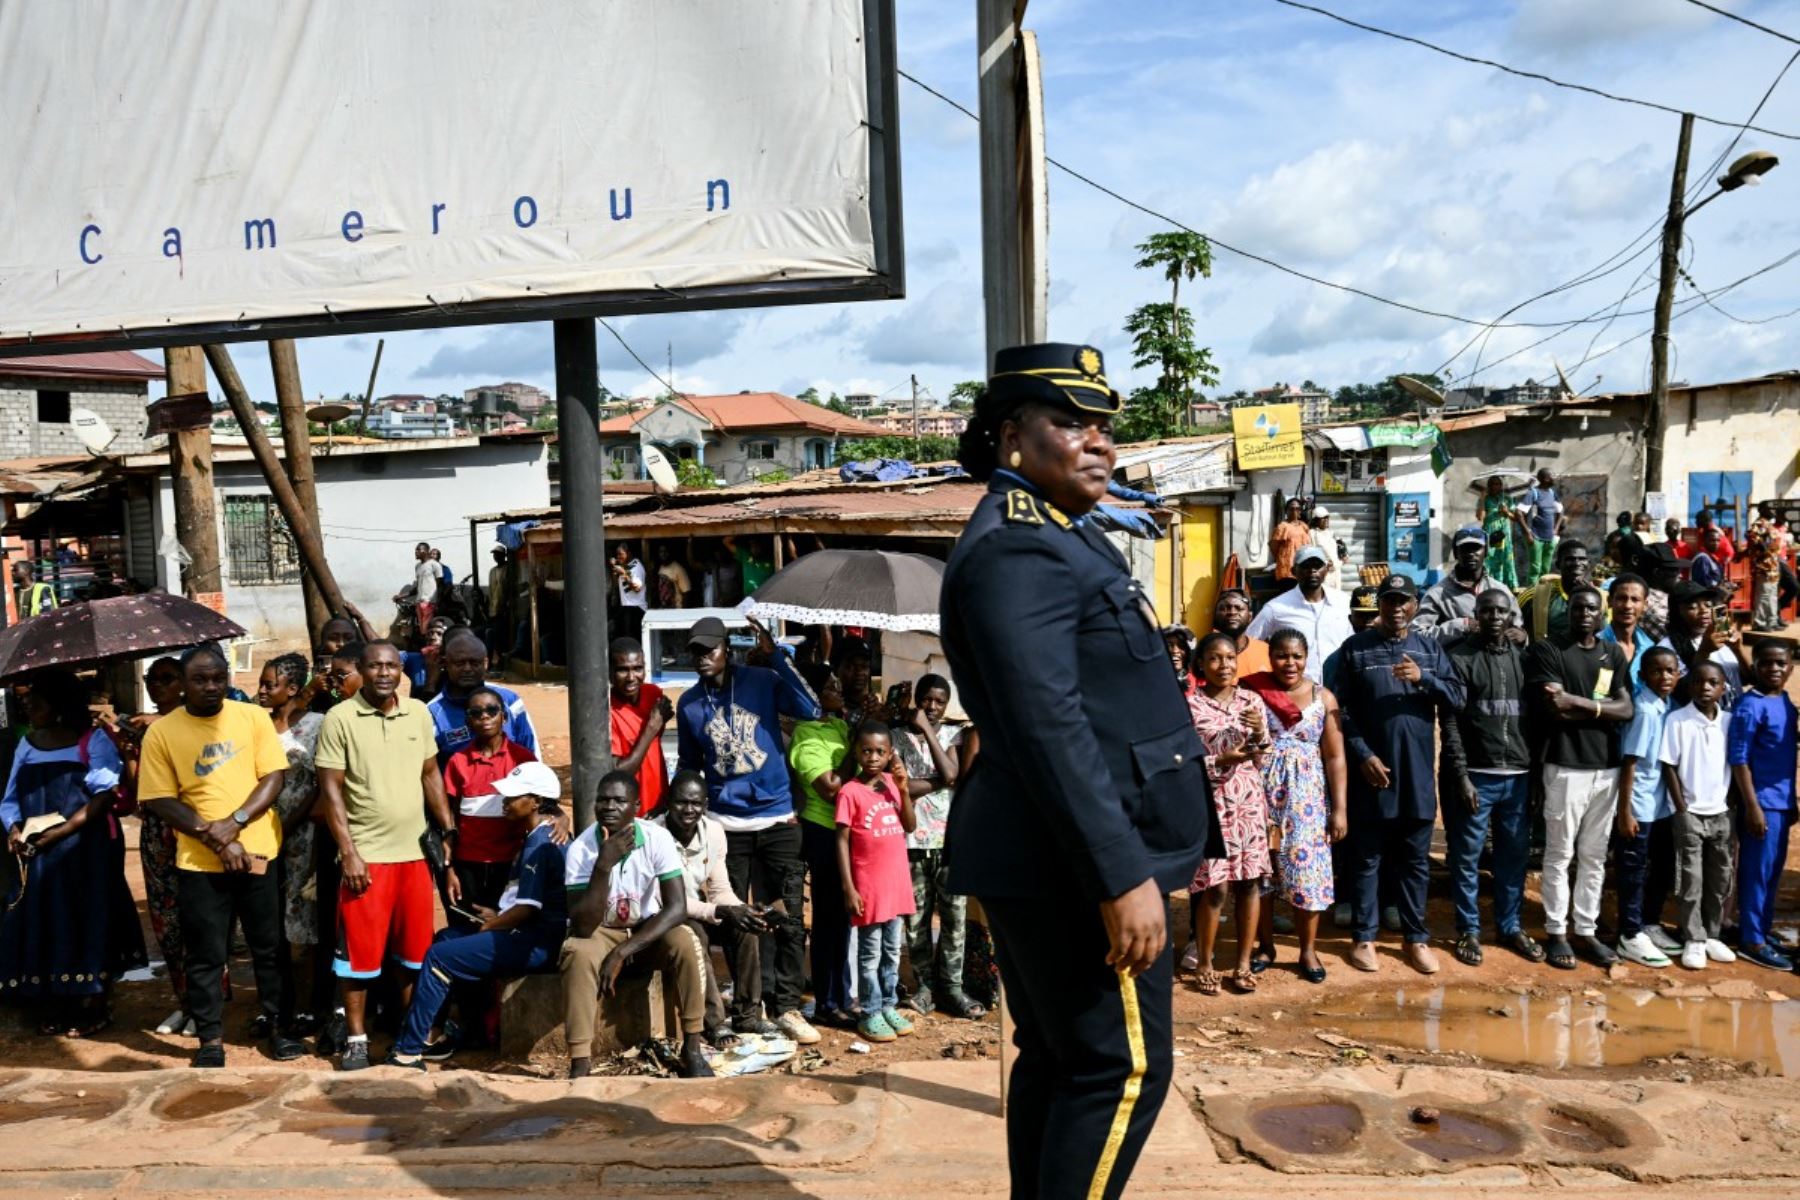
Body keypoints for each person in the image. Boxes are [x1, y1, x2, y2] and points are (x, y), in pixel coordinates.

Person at [940, 341, 1218, 1200]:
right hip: (1073, 864)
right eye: (1071, 423)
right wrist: (1120, 873)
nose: (1098, 442)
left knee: (1065, 1062)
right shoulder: (1021, 548)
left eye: (1102, 426)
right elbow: (1046, 726)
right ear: (1011, 438)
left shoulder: (1060, 535)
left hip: (1053, 853)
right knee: (1118, 1072)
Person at [137, 645, 301, 1065]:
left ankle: (280, 1028)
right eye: (199, 679)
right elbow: (159, 799)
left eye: (217, 678)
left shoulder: (252, 719)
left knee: (269, 948)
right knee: (207, 953)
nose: (210, 687)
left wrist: (237, 822)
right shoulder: (162, 732)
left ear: (227, 678)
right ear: (184, 683)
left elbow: (274, 776)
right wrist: (218, 838)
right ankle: (210, 1040)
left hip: (259, 853)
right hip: (199, 863)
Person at [676, 614, 822, 1045]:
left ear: (727, 648)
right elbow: (689, 766)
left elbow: (810, 707)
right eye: (696, 651)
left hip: (777, 819)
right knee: (738, 919)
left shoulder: (761, 679)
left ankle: (788, 1006)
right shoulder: (689, 704)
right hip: (725, 824)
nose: (704, 658)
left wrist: (776, 655)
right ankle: (747, 1009)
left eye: (711, 649)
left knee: (787, 916)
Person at [315, 640, 458, 1071]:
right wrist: (349, 853)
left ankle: (407, 1039)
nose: (383, 673)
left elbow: (430, 774)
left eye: (391, 666)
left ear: (401, 670)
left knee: (413, 958)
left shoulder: (417, 713)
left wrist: (447, 829)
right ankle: (357, 1040)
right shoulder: (339, 718)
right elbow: (330, 790)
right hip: (367, 860)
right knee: (357, 960)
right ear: (360, 669)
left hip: (414, 857)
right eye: (374, 665)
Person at [389, 761, 569, 1069]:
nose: (506, 802)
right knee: (447, 937)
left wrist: (492, 924)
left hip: (533, 943)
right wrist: (497, 915)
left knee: (439, 956)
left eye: (514, 797)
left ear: (536, 802)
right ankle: (436, 1038)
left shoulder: (542, 843)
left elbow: (528, 909)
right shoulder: (538, 835)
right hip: (522, 932)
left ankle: (408, 1050)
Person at [0, 669, 143, 1037]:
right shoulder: (28, 744)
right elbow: (10, 797)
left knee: (89, 916)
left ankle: (95, 1004)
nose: (29, 706)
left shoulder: (92, 740)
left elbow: (102, 798)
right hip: (38, 851)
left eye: (37, 700)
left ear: (60, 703)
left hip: (85, 849)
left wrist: (62, 832)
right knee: (47, 919)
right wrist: (14, 828)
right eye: (26, 701)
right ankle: (56, 1002)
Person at [1334, 575, 1464, 974]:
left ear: (1413, 605)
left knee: (1414, 861)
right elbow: (1340, 711)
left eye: (1402, 601)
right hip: (1371, 775)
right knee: (1367, 857)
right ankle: (1364, 938)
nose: (1395, 608)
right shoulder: (1356, 650)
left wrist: (1423, 678)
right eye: (1388, 601)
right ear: (1380, 606)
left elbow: (1458, 697)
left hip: (1417, 775)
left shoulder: (1429, 650)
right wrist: (1363, 755)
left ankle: (1416, 939)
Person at [561, 770, 712, 1078]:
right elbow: (582, 926)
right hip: (601, 930)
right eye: (603, 800)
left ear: (637, 807)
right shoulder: (582, 849)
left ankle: (692, 1047)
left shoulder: (657, 838)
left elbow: (676, 907)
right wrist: (603, 866)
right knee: (576, 951)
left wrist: (624, 951)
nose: (609, 807)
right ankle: (580, 1060)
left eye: (619, 800)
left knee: (686, 941)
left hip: (645, 928)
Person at [1527, 586, 1634, 971]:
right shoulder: (1548, 651)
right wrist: (1601, 709)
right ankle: (1557, 932)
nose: (1585, 613)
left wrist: (1580, 703)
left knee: (1594, 855)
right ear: (1568, 611)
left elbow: (1627, 710)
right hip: (1564, 765)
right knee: (1559, 855)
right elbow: (1554, 709)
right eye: (1578, 607)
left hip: (1606, 768)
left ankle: (1585, 931)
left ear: (1601, 613)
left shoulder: (1612, 654)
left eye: (1592, 607)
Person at [1439, 589, 1543, 966]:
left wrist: (1536, 778)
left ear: (1512, 617)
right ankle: (1468, 929)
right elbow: (1450, 724)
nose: (1495, 617)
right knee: (1466, 858)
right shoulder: (1460, 658)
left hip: (1518, 776)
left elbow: (1537, 723)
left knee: (1512, 858)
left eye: (1502, 610)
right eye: (1487, 611)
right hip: (1478, 777)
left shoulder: (1525, 659)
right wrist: (1461, 777)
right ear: (1476, 616)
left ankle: (1510, 925)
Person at [1243, 629, 1346, 983]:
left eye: (1297, 656)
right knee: (1262, 875)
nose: (1290, 663)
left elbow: (1334, 757)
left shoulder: (1323, 697)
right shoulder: (1253, 692)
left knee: (1308, 875)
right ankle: (1265, 946)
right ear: (1270, 658)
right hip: (1260, 795)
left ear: (1306, 657)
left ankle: (1308, 950)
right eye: (1282, 656)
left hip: (1307, 802)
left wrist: (1340, 809)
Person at [652, 769, 769, 1045]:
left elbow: (719, 890)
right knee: (696, 934)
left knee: (746, 929)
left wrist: (743, 909)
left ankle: (748, 1015)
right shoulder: (654, 835)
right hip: (663, 915)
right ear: (668, 802)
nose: (688, 810)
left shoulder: (713, 832)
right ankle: (713, 1021)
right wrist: (719, 911)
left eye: (696, 803)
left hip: (696, 907)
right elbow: (669, 901)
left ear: (705, 806)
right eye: (682, 802)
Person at [1184, 633, 1271, 996]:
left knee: (1249, 882)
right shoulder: (1189, 706)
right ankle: (1204, 962)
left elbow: (1262, 754)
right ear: (1201, 665)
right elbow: (1184, 761)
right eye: (1216, 659)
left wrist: (1258, 729)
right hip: (1211, 802)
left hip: (1247, 801)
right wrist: (1219, 759)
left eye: (1230, 658)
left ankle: (1242, 963)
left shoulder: (1252, 700)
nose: (1225, 665)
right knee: (1215, 887)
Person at [892, 675, 977, 1018]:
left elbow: (953, 773)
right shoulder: (896, 737)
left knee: (955, 918)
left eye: (940, 702)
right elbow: (901, 787)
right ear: (917, 700)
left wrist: (928, 731)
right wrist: (941, 780)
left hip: (948, 843)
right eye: (927, 700)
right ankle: (925, 985)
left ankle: (952, 988)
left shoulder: (950, 735)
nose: (932, 707)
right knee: (917, 921)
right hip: (910, 842)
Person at [257, 652, 329, 1028]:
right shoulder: (256, 725)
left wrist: (286, 827)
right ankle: (273, 1003)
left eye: (272, 685)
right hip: (257, 835)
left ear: (293, 688)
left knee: (303, 918)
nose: (263, 691)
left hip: (303, 837)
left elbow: (321, 785)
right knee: (266, 920)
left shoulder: (317, 725)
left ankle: (307, 1004)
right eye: (262, 684)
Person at [834, 722, 917, 1043]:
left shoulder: (891, 785)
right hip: (868, 887)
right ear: (856, 751)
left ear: (890, 754)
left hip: (896, 885)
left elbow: (909, 826)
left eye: (880, 751)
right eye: (866, 750)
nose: (873, 757)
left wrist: (904, 789)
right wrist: (849, 887)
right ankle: (869, 1011)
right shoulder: (849, 792)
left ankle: (887, 1005)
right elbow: (841, 841)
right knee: (869, 954)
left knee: (892, 952)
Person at [125, 656, 194, 1035]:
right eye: (153, 679)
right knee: (166, 922)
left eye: (166, 679)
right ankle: (183, 1001)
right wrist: (129, 749)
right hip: (156, 831)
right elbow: (139, 794)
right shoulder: (143, 729)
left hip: (193, 827)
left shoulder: (195, 721)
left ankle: (205, 1004)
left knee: (199, 920)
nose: (157, 686)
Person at [789, 663, 857, 1030]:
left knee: (843, 919)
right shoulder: (806, 734)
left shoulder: (839, 725)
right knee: (829, 918)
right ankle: (827, 1003)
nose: (838, 687)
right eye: (830, 684)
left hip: (849, 830)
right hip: (823, 831)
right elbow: (830, 787)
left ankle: (842, 996)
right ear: (812, 694)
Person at [1660, 660, 1737, 972]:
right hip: (1690, 813)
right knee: (1691, 879)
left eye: (1712, 682)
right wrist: (1681, 808)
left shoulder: (1730, 722)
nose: (1705, 688)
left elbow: (1737, 764)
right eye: (1699, 682)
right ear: (1689, 686)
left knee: (1720, 878)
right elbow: (1669, 766)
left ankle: (1712, 934)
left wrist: (1730, 803)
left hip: (1722, 814)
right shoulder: (1678, 720)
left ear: (1722, 688)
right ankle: (1693, 937)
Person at [441, 685, 540, 920]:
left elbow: (542, 803)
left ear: (504, 717)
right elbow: (450, 817)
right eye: (476, 713)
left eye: (491, 710)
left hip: (511, 862)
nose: (484, 716)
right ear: (468, 721)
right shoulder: (458, 762)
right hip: (469, 864)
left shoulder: (523, 758)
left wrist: (559, 816)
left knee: (506, 923)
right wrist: (450, 868)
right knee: (471, 922)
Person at [1612, 646, 1681, 968]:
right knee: (1633, 871)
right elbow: (1630, 764)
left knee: (1663, 867)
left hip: (1661, 806)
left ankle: (1649, 923)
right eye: (1656, 671)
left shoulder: (1668, 706)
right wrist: (1625, 812)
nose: (1664, 677)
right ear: (1643, 675)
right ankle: (1630, 933)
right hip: (1639, 806)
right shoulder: (1644, 710)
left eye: (1670, 671)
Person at [1729, 640, 1796, 972]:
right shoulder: (1748, 706)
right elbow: (1739, 760)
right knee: (1756, 872)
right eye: (1766, 663)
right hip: (1761, 803)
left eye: (1780, 664)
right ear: (1754, 667)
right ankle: (1751, 940)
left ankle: (1763, 929)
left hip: (1782, 802)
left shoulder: (1785, 702)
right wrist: (1752, 805)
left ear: (1791, 668)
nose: (1774, 669)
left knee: (1772, 873)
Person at [426, 630, 538, 762]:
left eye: (474, 663)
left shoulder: (509, 700)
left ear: (485, 663)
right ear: (446, 664)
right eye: (459, 663)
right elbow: (430, 769)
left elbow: (530, 749)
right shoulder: (432, 712)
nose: (467, 669)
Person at [1245, 546, 1353, 682]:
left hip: (1340, 688)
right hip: (1296, 693)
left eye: (1317, 566)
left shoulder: (1344, 602)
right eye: (1306, 566)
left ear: (1326, 569)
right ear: (1293, 571)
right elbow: (1248, 643)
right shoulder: (1276, 608)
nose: (1312, 571)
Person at [1414, 524, 1525, 647]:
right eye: (1465, 548)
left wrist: (1523, 636)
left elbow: (1518, 627)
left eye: (1476, 548)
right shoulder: (1438, 594)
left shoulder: (1500, 590)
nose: (1471, 553)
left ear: (1486, 551)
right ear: (1456, 553)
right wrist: (1460, 626)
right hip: (1455, 663)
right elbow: (1416, 637)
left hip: (1498, 662)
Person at [1657, 581, 1751, 708]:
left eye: (1707, 604)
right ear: (1676, 612)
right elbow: (1682, 694)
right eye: (1692, 607)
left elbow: (1747, 679)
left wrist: (1738, 650)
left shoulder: (1719, 636)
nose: (1704, 611)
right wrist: (1704, 651)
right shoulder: (1666, 649)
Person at [608, 638, 671, 816]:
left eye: (637, 668)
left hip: (660, 803)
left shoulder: (654, 694)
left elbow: (654, 746)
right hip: (632, 812)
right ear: (610, 672)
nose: (631, 677)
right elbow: (620, 772)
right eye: (622, 670)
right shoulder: (606, 711)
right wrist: (651, 728)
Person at [1518, 538, 1594, 642]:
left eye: (1582, 559)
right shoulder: (1536, 594)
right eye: (1570, 559)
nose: (1577, 563)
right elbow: (1514, 625)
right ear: (1558, 564)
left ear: (1588, 564)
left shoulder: (1598, 598)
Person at [1600, 573, 1657, 687]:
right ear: (1610, 601)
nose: (1627, 605)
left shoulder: (1649, 648)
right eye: (1622, 598)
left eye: (1635, 599)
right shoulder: (1597, 645)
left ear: (1645, 605)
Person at [1519, 467, 1564, 585]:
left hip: (1550, 538)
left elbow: (1560, 511)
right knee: (1535, 569)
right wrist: (1527, 532)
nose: (1555, 477)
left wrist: (1556, 529)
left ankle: (1543, 593)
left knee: (1545, 569)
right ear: (1546, 478)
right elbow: (1519, 513)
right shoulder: (1533, 493)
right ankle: (1531, 596)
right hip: (1536, 537)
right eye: (1553, 475)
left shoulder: (1552, 493)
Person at [1211, 588, 1271, 677]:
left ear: (1250, 616)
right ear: (1215, 615)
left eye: (1238, 608)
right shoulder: (1205, 652)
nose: (1232, 612)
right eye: (1225, 608)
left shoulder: (1267, 651)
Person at [1478, 474, 1522, 589]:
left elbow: (1515, 518)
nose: (1495, 486)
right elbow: (1480, 517)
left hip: (1504, 533)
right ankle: (1489, 585)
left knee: (1505, 558)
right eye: (1492, 484)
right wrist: (1482, 498)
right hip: (1491, 533)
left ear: (1501, 486)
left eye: (1498, 484)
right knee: (1490, 559)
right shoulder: (1486, 499)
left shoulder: (1507, 499)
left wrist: (1506, 512)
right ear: (1489, 486)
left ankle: (1508, 586)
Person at [1747, 511, 1784, 632]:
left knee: (1772, 595)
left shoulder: (1768, 525)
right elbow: (1752, 536)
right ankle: (1759, 622)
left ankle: (1772, 621)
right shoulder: (1758, 524)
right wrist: (1764, 547)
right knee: (1763, 595)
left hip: (1772, 565)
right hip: (1764, 566)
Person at [400, 615, 452, 700]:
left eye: (439, 634)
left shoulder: (455, 663)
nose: (432, 637)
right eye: (430, 633)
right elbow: (384, 653)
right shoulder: (415, 659)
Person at [609, 542, 648, 640]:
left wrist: (624, 574)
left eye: (620, 554)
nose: (618, 557)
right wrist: (614, 568)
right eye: (617, 554)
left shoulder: (637, 567)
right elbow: (617, 583)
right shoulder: (626, 566)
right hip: (626, 607)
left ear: (628, 554)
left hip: (636, 608)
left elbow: (637, 589)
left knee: (632, 639)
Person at [1270, 498, 1312, 583]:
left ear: (1300, 511)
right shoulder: (1282, 527)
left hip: (1303, 570)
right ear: (1286, 511)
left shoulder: (1304, 526)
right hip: (1287, 571)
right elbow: (1274, 547)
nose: (1294, 511)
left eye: (1297, 509)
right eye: (1291, 508)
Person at [485, 544, 511, 666]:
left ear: (503, 555)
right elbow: (491, 590)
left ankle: (499, 660)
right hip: (493, 609)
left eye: (498, 554)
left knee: (501, 635)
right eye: (495, 554)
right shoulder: (492, 571)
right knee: (493, 634)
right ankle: (494, 660)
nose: (496, 556)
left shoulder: (508, 568)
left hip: (504, 608)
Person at [1309, 507, 1347, 593]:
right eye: (1323, 518)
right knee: (1325, 595)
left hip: (1336, 571)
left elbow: (1339, 549)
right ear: (1316, 520)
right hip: (1324, 572)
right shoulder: (1312, 533)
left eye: (1327, 518)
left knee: (1336, 596)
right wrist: (1325, 563)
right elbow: (1311, 554)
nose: (1326, 520)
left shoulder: (1331, 533)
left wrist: (1344, 556)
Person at [405, 542, 439, 631]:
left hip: (429, 602)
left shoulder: (434, 565)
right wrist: (401, 596)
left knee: (427, 629)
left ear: (426, 551)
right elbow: (419, 586)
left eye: (418, 550)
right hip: (419, 602)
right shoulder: (417, 566)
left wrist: (437, 601)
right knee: (422, 630)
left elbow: (440, 584)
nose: (416, 552)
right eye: (415, 550)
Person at [654, 543, 693, 609]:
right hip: (664, 608)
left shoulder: (678, 569)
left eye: (665, 552)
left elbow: (686, 592)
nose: (663, 554)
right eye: (661, 552)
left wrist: (684, 612)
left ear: (670, 553)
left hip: (676, 609)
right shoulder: (661, 568)